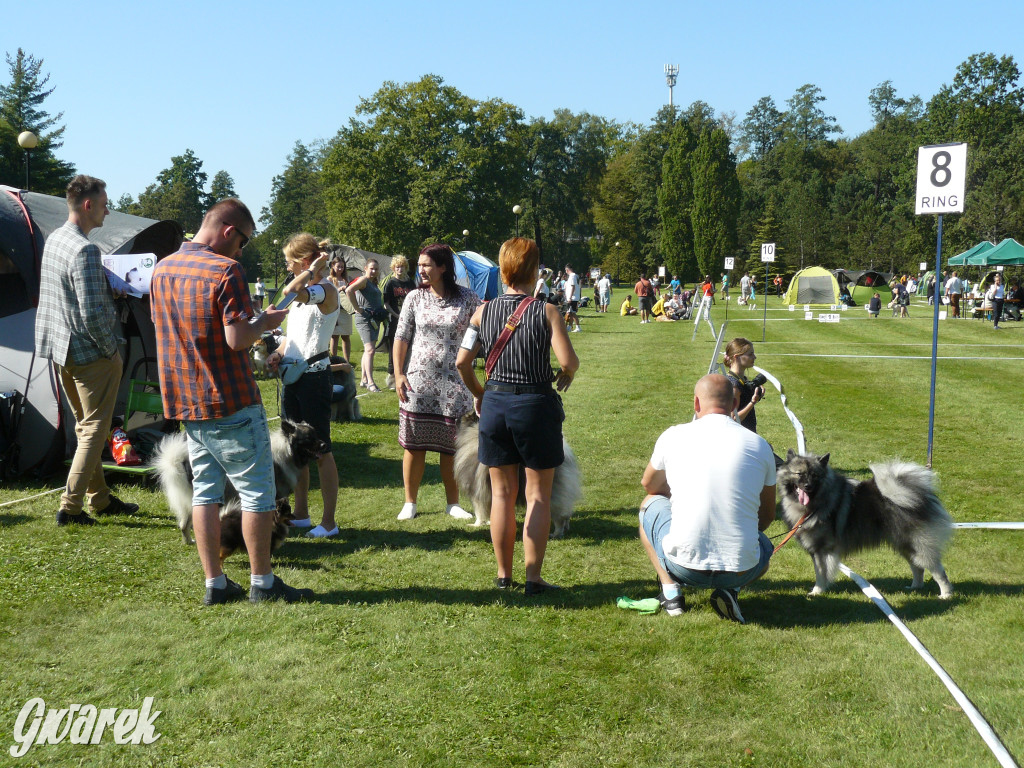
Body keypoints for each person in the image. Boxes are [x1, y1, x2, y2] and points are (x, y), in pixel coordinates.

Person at [150, 198, 313, 605]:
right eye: (242, 242)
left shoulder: (163, 268)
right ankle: (263, 582)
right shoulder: (227, 270)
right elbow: (238, 339)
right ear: (228, 232)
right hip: (230, 400)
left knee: (206, 492)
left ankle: (216, 585)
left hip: (187, 402)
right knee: (257, 494)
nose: (242, 251)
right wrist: (266, 323)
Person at [456, 237, 579, 594]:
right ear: (534, 270)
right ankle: (533, 578)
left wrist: (481, 394)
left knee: (502, 495)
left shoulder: (481, 312)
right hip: (535, 405)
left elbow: (463, 361)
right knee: (538, 496)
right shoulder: (547, 312)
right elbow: (569, 361)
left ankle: (502, 575)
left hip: (495, 405)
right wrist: (567, 373)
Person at [35, 175, 139, 526]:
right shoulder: (85, 249)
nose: (108, 210)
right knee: (95, 429)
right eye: (105, 203)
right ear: (88, 205)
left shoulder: (56, 239)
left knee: (85, 427)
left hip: (60, 349)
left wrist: (109, 289)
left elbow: (68, 296)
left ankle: (101, 499)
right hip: (90, 353)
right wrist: (112, 351)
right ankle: (71, 506)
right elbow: (91, 314)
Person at [638, 374, 776, 623]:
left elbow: (649, 485)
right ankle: (730, 589)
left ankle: (671, 592)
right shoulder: (760, 445)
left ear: (696, 404)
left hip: (683, 566)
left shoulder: (673, 435)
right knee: (764, 546)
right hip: (742, 568)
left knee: (648, 504)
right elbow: (766, 516)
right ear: (735, 405)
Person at [393, 244, 479, 521]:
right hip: (419, 383)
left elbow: (482, 333)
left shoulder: (467, 299)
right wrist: (398, 374)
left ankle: (453, 503)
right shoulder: (414, 298)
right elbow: (401, 337)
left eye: (427, 264)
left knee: (452, 446)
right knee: (414, 444)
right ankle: (410, 502)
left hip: (456, 384)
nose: (421, 270)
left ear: (443, 267)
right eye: (419, 265)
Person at [264, 234, 340, 538]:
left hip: (315, 379)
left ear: (306, 262)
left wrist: (316, 267)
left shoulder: (326, 290)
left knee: (321, 451)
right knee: (297, 450)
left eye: (289, 261)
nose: (286, 265)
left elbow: (291, 290)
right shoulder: (299, 299)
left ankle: (329, 523)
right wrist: (277, 353)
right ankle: (302, 514)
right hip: (293, 378)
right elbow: (292, 340)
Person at [346, 258, 385, 392]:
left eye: (376, 269)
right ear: (365, 268)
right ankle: (370, 382)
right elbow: (349, 290)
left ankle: (363, 379)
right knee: (370, 350)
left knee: (368, 349)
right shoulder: (363, 280)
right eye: (371, 268)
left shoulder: (373, 283)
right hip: (364, 319)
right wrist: (357, 308)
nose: (374, 271)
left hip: (373, 319)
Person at [382, 255, 416, 390]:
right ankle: (391, 378)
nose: (400, 269)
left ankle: (406, 374)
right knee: (393, 350)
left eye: (402, 266)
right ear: (393, 268)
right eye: (397, 267)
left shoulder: (410, 284)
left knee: (408, 349)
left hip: (410, 322)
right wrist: (397, 315)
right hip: (395, 321)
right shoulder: (390, 283)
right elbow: (386, 304)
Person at [723, 338, 765, 433]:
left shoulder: (742, 379)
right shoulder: (734, 385)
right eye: (750, 354)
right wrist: (752, 402)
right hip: (740, 436)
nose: (754, 357)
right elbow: (733, 418)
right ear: (737, 357)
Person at [326, 247, 353, 362]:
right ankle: (334, 359)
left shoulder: (347, 279)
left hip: (345, 311)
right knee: (334, 336)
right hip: (334, 311)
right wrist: (340, 289)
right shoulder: (330, 279)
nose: (340, 269)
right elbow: (328, 294)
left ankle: (346, 361)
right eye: (338, 267)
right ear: (333, 266)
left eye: (342, 267)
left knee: (346, 336)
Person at [564, 264, 581, 332]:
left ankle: (578, 327)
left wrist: (570, 297)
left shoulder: (572, 276)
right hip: (572, 297)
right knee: (570, 313)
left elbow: (573, 287)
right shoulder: (573, 276)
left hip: (573, 298)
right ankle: (570, 327)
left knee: (573, 313)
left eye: (566, 270)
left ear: (567, 270)